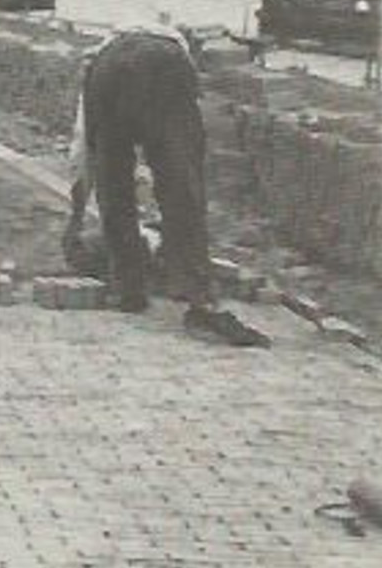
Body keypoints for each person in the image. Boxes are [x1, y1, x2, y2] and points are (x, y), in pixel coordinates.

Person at [67, 24, 268, 346]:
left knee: (113, 182)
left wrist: (76, 214)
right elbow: (187, 168)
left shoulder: (101, 57)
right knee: (180, 185)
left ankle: (128, 289)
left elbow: (84, 151)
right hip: (160, 66)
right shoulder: (175, 56)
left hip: (107, 73)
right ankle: (198, 297)